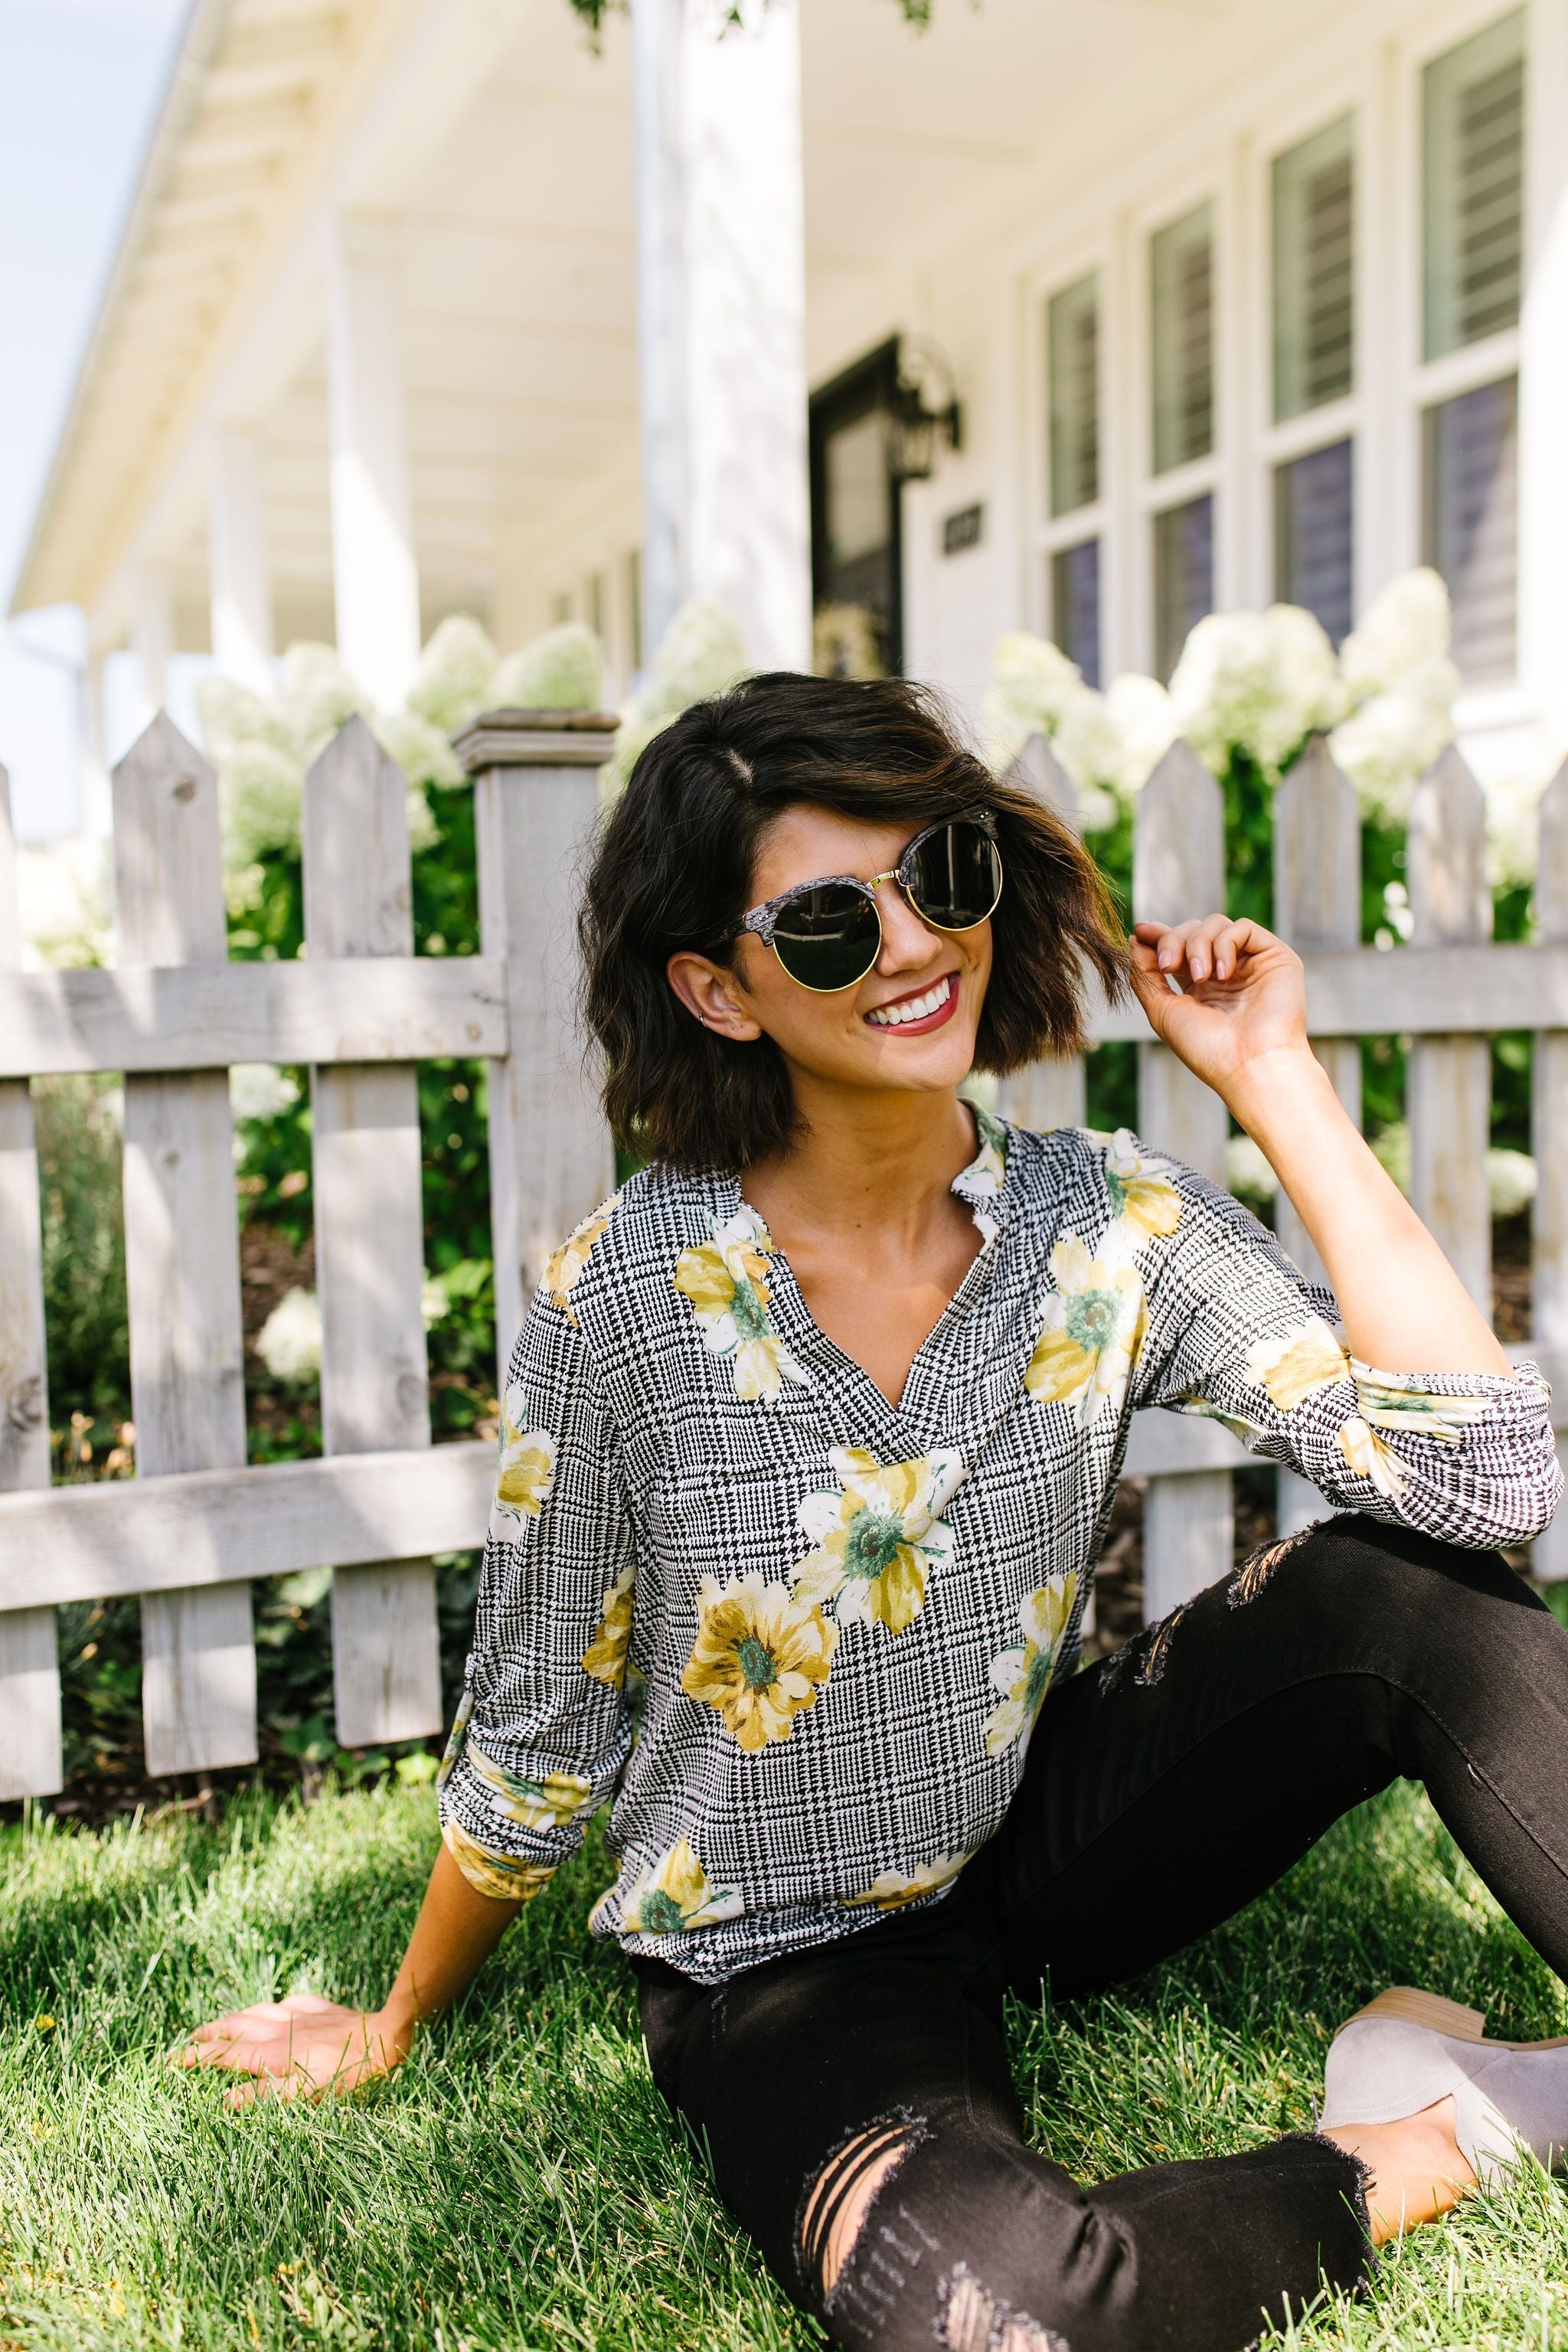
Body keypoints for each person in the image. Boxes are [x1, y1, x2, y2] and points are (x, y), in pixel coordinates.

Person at [183, 675, 1568, 2352]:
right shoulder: (630, 1294)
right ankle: (1454, 2116)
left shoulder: (1108, 1221)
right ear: (719, 986)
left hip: (1036, 1839)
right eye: (830, 927)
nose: (915, 949)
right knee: (1003, 2325)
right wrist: (399, 2016)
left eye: (947, 877)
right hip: (781, 1965)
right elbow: (541, 1703)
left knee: (1405, 1592)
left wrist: (1272, 1080)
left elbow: (1483, 1486)